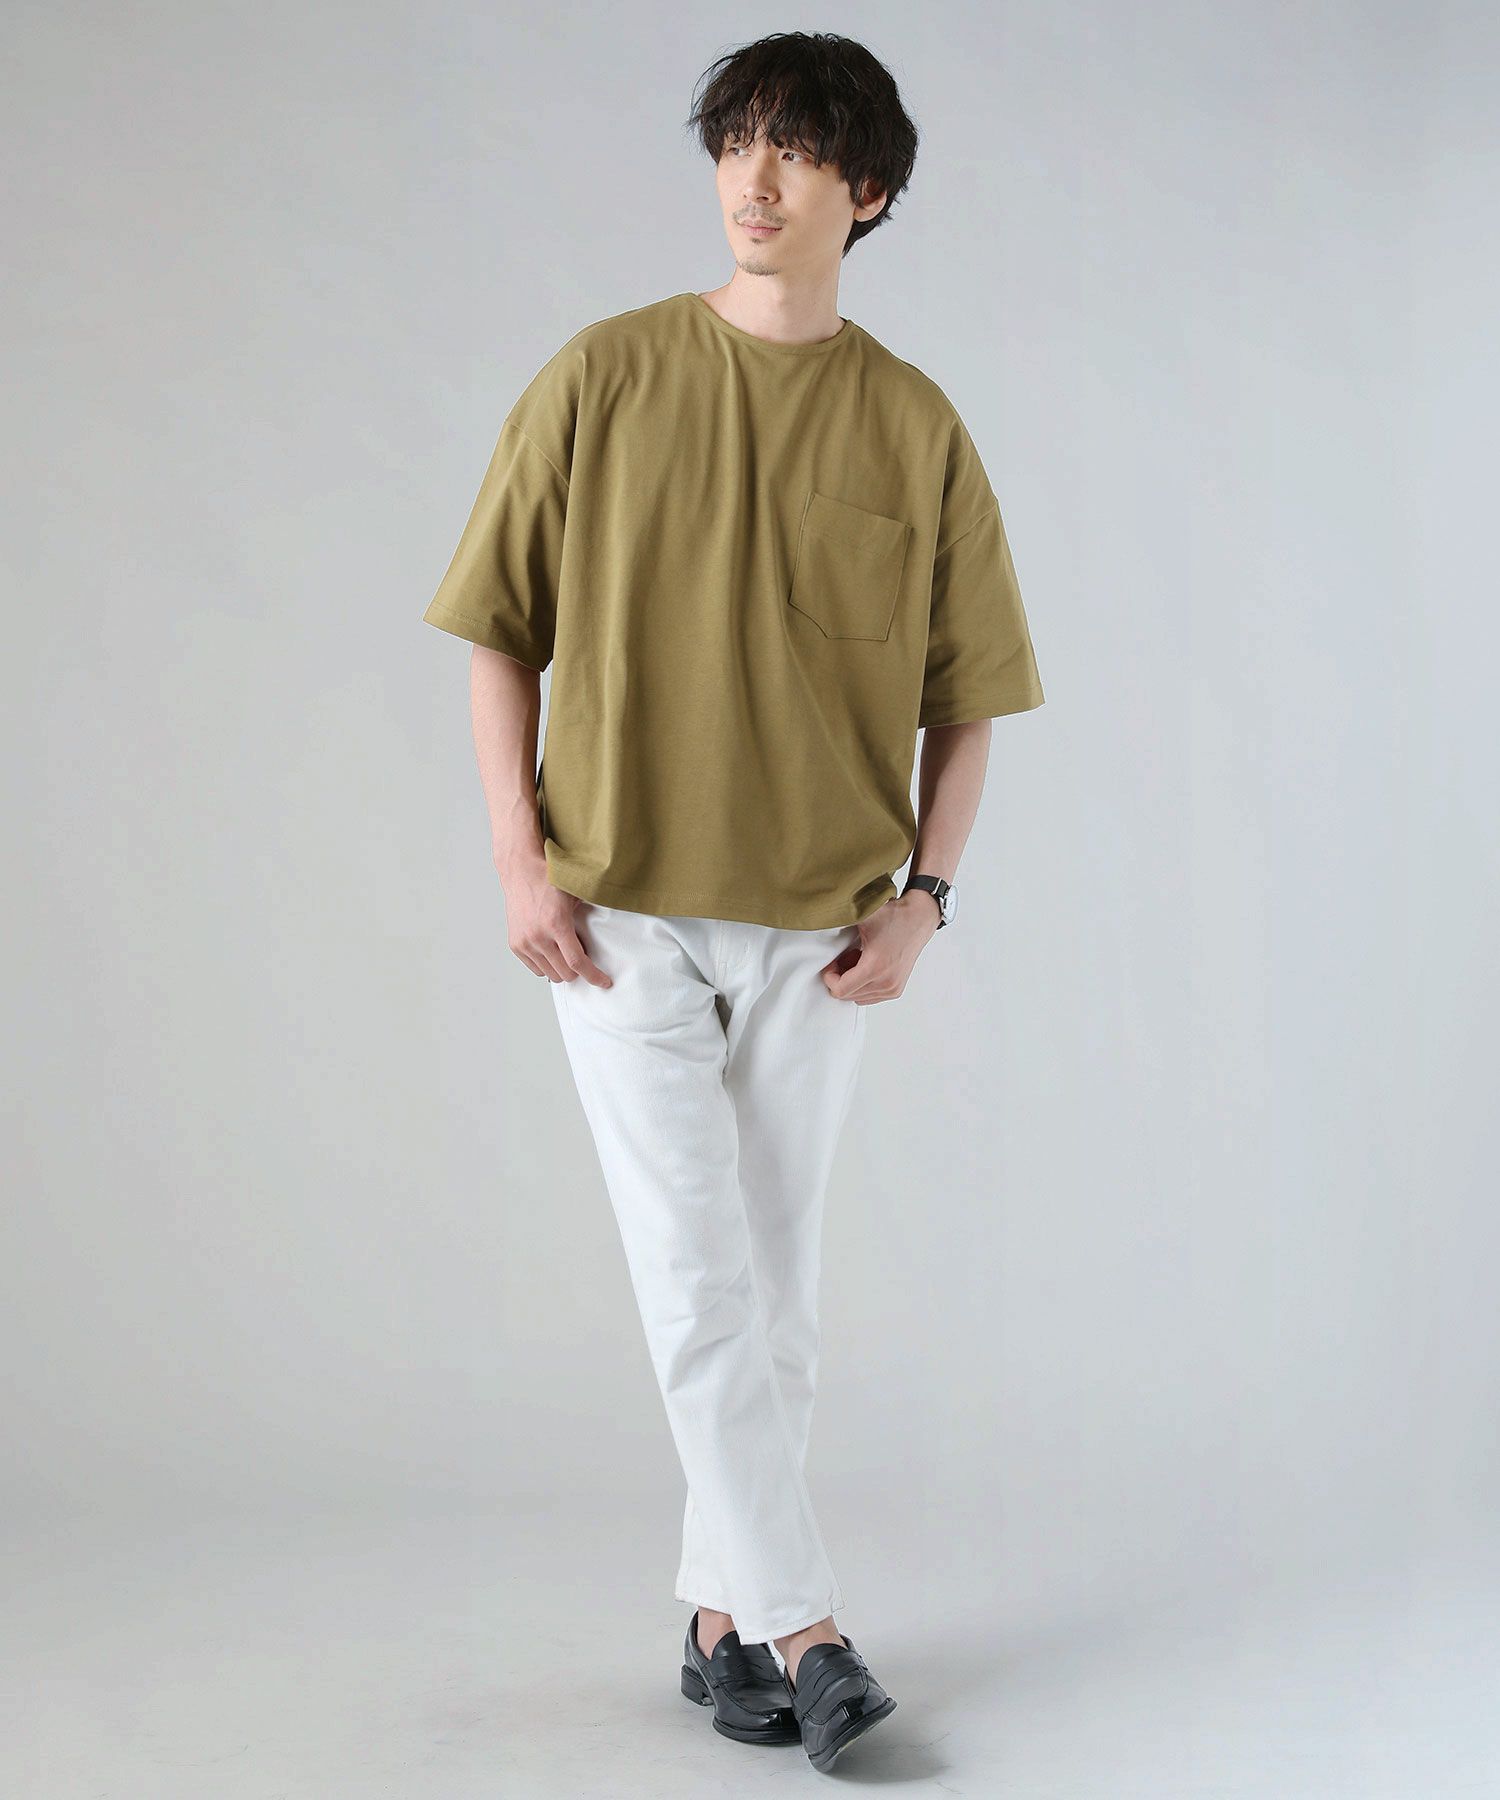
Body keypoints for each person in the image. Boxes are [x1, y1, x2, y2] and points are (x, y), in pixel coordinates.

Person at [422, 29, 1044, 1774]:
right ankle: (810, 1631)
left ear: (871, 190)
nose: (754, 180)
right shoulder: (604, 375)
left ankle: (716, 1625)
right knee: (700, 1283)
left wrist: (926, 899)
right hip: (617, 914)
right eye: (735, 144)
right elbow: (497, 630)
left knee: (776, 1300)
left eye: (796, 149)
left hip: (821, 932)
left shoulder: (913, 423)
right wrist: (515, 853)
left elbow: (967, 699)